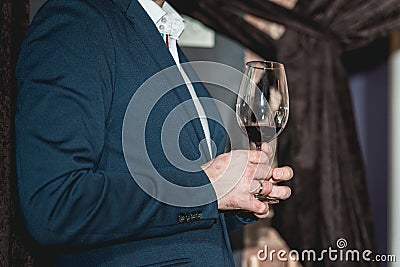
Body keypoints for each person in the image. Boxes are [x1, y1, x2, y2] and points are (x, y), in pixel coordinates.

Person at [15, 0, 293, 266]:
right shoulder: (78, 22)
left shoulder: (160, 33)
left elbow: (186, 218)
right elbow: (55, 205)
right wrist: (203, 189)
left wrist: (239, 196)